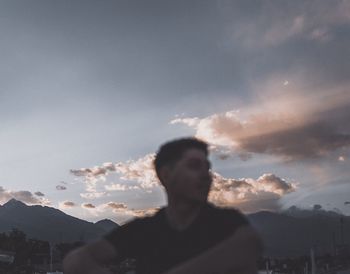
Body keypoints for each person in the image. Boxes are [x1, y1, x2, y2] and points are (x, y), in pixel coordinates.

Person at [63, 137, 262, 274]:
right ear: (166, 175)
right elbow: (76, 261)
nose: (206, 175)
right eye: (194, 166)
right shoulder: (144, 230)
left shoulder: (227, 223)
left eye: (207, 168)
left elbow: (245, 247)